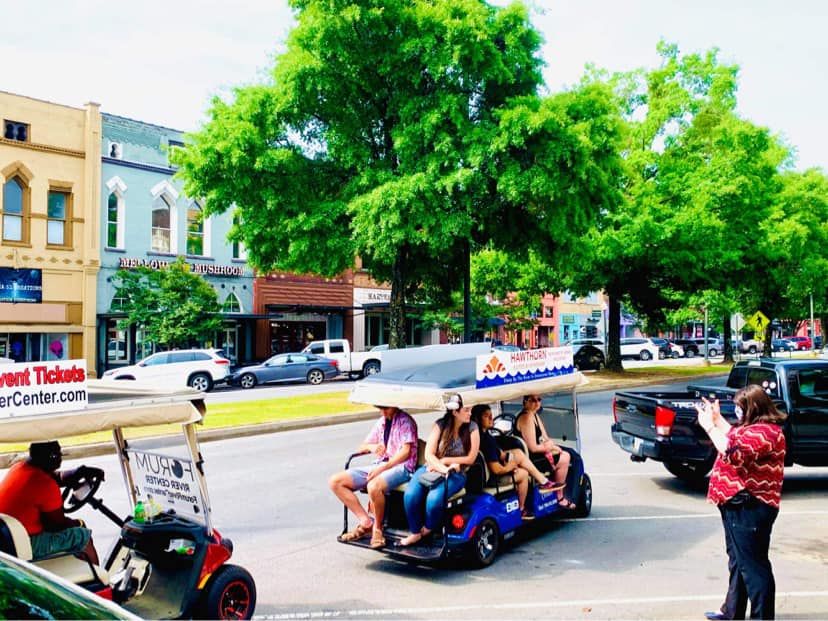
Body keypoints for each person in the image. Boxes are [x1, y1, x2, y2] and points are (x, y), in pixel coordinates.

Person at [696, 385, 786, 621]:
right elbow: (733, 436)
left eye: (739, 408)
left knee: (754, 567)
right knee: (738, 560)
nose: (736, 412)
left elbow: (734, 452)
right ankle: (731, 611)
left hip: (751, 506)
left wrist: (708, 427)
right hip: (735, 503)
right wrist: (717, 420)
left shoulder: (766, 433)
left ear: (752, 408)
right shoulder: (752, 428)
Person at [330, 405, 418, 549]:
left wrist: (383, 467)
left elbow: (406, 452)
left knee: (373, 486)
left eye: (386, 408)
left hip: (401, 467)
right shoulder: (382, 421)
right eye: (380, 408)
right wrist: (372, 447)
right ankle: (366, 523)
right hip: (380, 464)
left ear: (394, 405)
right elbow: (363, 445)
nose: (383, 412)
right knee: (336, 481)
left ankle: (378, 528)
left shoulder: (405, 421)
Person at [0, 441, 102, 563]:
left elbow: (57, 476)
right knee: (82, 535)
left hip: (8, 540)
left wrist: (78, 472)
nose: (60, 459)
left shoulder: (19, 468)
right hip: (28, 544)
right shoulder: (45, 484)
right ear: (48, 457)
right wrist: (78, 523)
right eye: (56, 455)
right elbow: (57, 525)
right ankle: (98, 579)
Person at [400, 393, 480, 546]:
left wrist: (447, 462)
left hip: (457, 473)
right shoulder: (440, 425)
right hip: (433, 467)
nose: (470, 413)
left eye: (471, 410)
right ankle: (415, 532)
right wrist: (442, 467)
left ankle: (429, 528)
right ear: (455, 412)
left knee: (434, 499)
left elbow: (471, 458)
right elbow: (429, 454)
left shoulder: (472, 428)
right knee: (410, 494)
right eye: (467, 410)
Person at [470, 404, 560, 520]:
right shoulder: (486, 441)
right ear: (478, 419)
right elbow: (496, 469)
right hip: (494, 478)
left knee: (517, 452)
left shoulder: (485, 434)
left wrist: (510, 459)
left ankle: (542, 480)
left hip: (495, 470)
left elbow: (500, 454)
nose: (491, 418)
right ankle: (522, 509)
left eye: (491, 415)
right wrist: (510, 466)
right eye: (486, 416)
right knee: (523, 474)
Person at [515, 394, 575, 509]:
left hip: (539, 453)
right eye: (532, 400)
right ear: (525, 401)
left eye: (539, 399)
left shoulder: (534, 415)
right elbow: (533, 447)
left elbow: (545, 437)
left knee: (564, 452)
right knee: (566, 457)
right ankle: (560, 497)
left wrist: (552, 446)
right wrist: (550, 447)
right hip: (531, 459)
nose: (536, 403)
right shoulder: (526, 417)